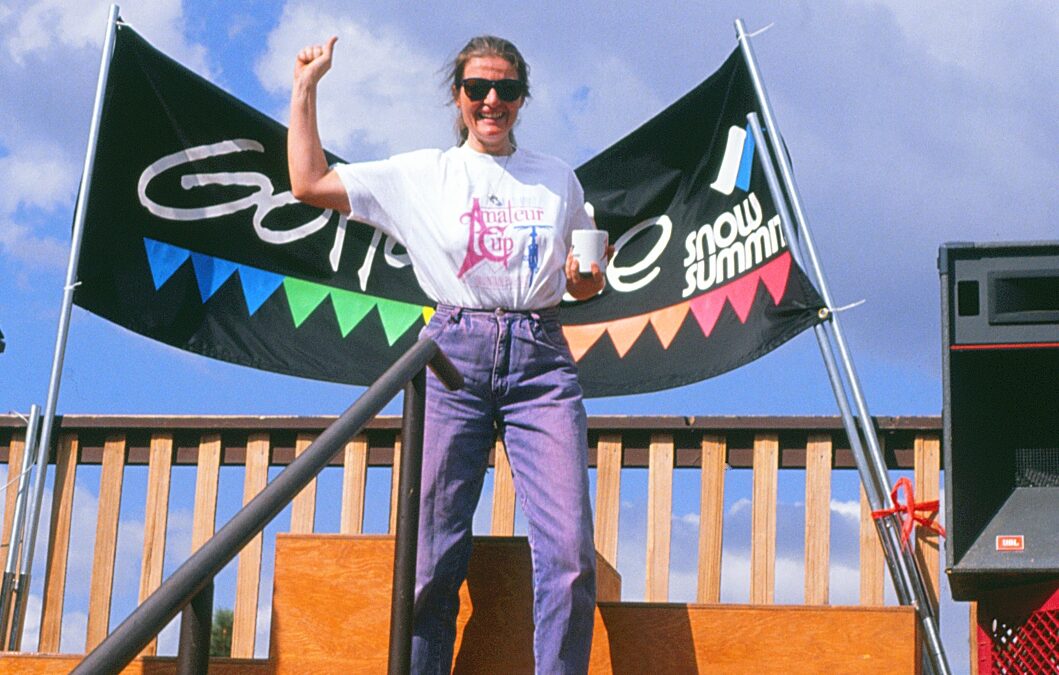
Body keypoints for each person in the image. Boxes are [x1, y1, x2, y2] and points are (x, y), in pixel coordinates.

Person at [288, 34, 607, 674]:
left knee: (570, 554)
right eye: (477, 89)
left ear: (523, 98)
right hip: (451, 354)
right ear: (457, 97)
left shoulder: (557, 179)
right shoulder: (422, 173)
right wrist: (305, 88)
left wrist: (584, 280)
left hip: (540, 357)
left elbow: (583, 280)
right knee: (429, 556)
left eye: (507, 90)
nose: (492, 101)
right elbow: (309, 182)